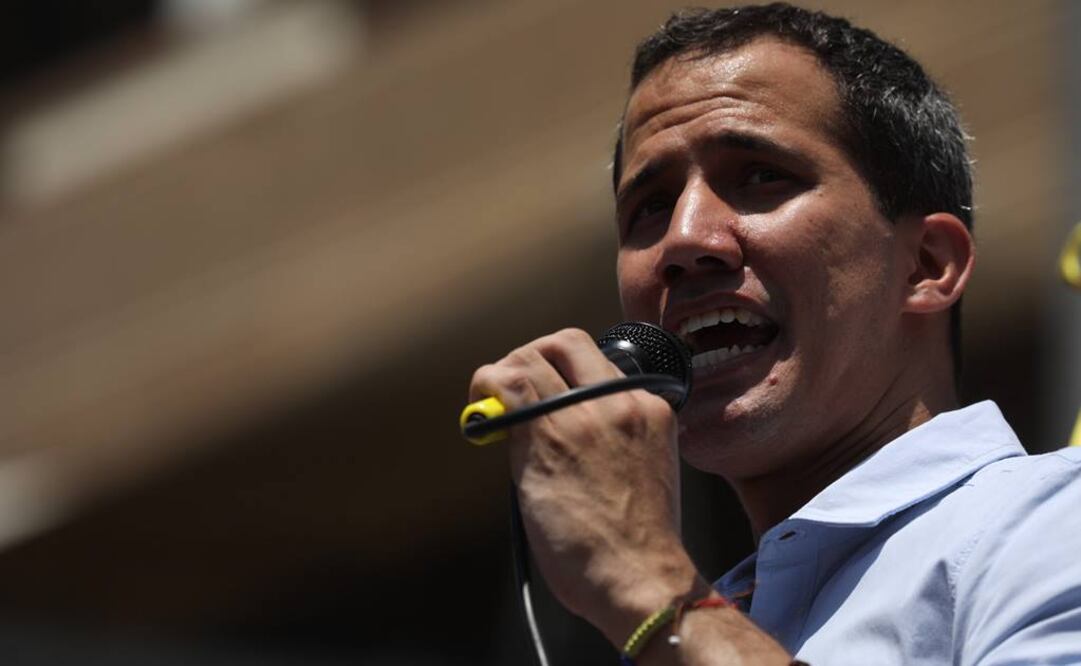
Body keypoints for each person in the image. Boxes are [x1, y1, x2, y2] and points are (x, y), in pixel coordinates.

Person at [468, 4, 1081, 664]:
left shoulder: (1048, 523)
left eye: (760, 176)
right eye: (649, 207)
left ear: (925, 266)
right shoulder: (697, 622)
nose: (683, 239)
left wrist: (650, 586)